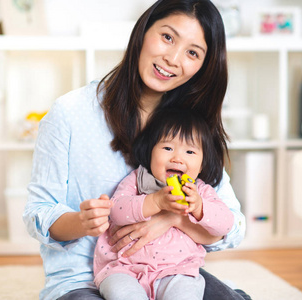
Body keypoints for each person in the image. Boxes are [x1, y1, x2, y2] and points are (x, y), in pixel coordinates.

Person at [23, 1, 249, 299]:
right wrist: (81, 222)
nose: (173, 58)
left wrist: (172, 217)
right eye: (167, 37)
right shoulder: (71, 112)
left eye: (193, 52)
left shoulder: (189, 127)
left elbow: (232, 224)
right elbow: (38, 214)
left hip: (167, 270)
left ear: (203, 66)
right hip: (84, 280)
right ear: (143, 31)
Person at [94, 108, 235, 300]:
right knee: (121, 293)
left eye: (190, 151)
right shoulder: (138, 180)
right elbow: (116, 211)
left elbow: (226, 224)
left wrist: (200, 208)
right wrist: (156, 201)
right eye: (167, 148)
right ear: (151, 151)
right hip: (124, 268)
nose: (177, 158)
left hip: (178, 271)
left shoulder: (199, 191)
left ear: (202, 164)